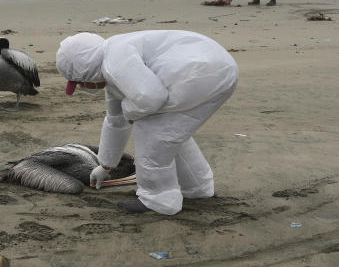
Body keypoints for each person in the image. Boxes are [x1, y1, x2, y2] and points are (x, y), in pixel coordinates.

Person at [56, 30, 238, 215]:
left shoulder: (115, 62)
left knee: (151, 127)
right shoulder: (114, 57)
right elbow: (115, 121)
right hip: (220, 70)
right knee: (171, 132)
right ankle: (197, 187)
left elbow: (150, 98)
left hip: (197, 73)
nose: (82, 87)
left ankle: (159, 200)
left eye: (79, 82)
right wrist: (105, 166)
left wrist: (130, 111)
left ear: (86, 71)